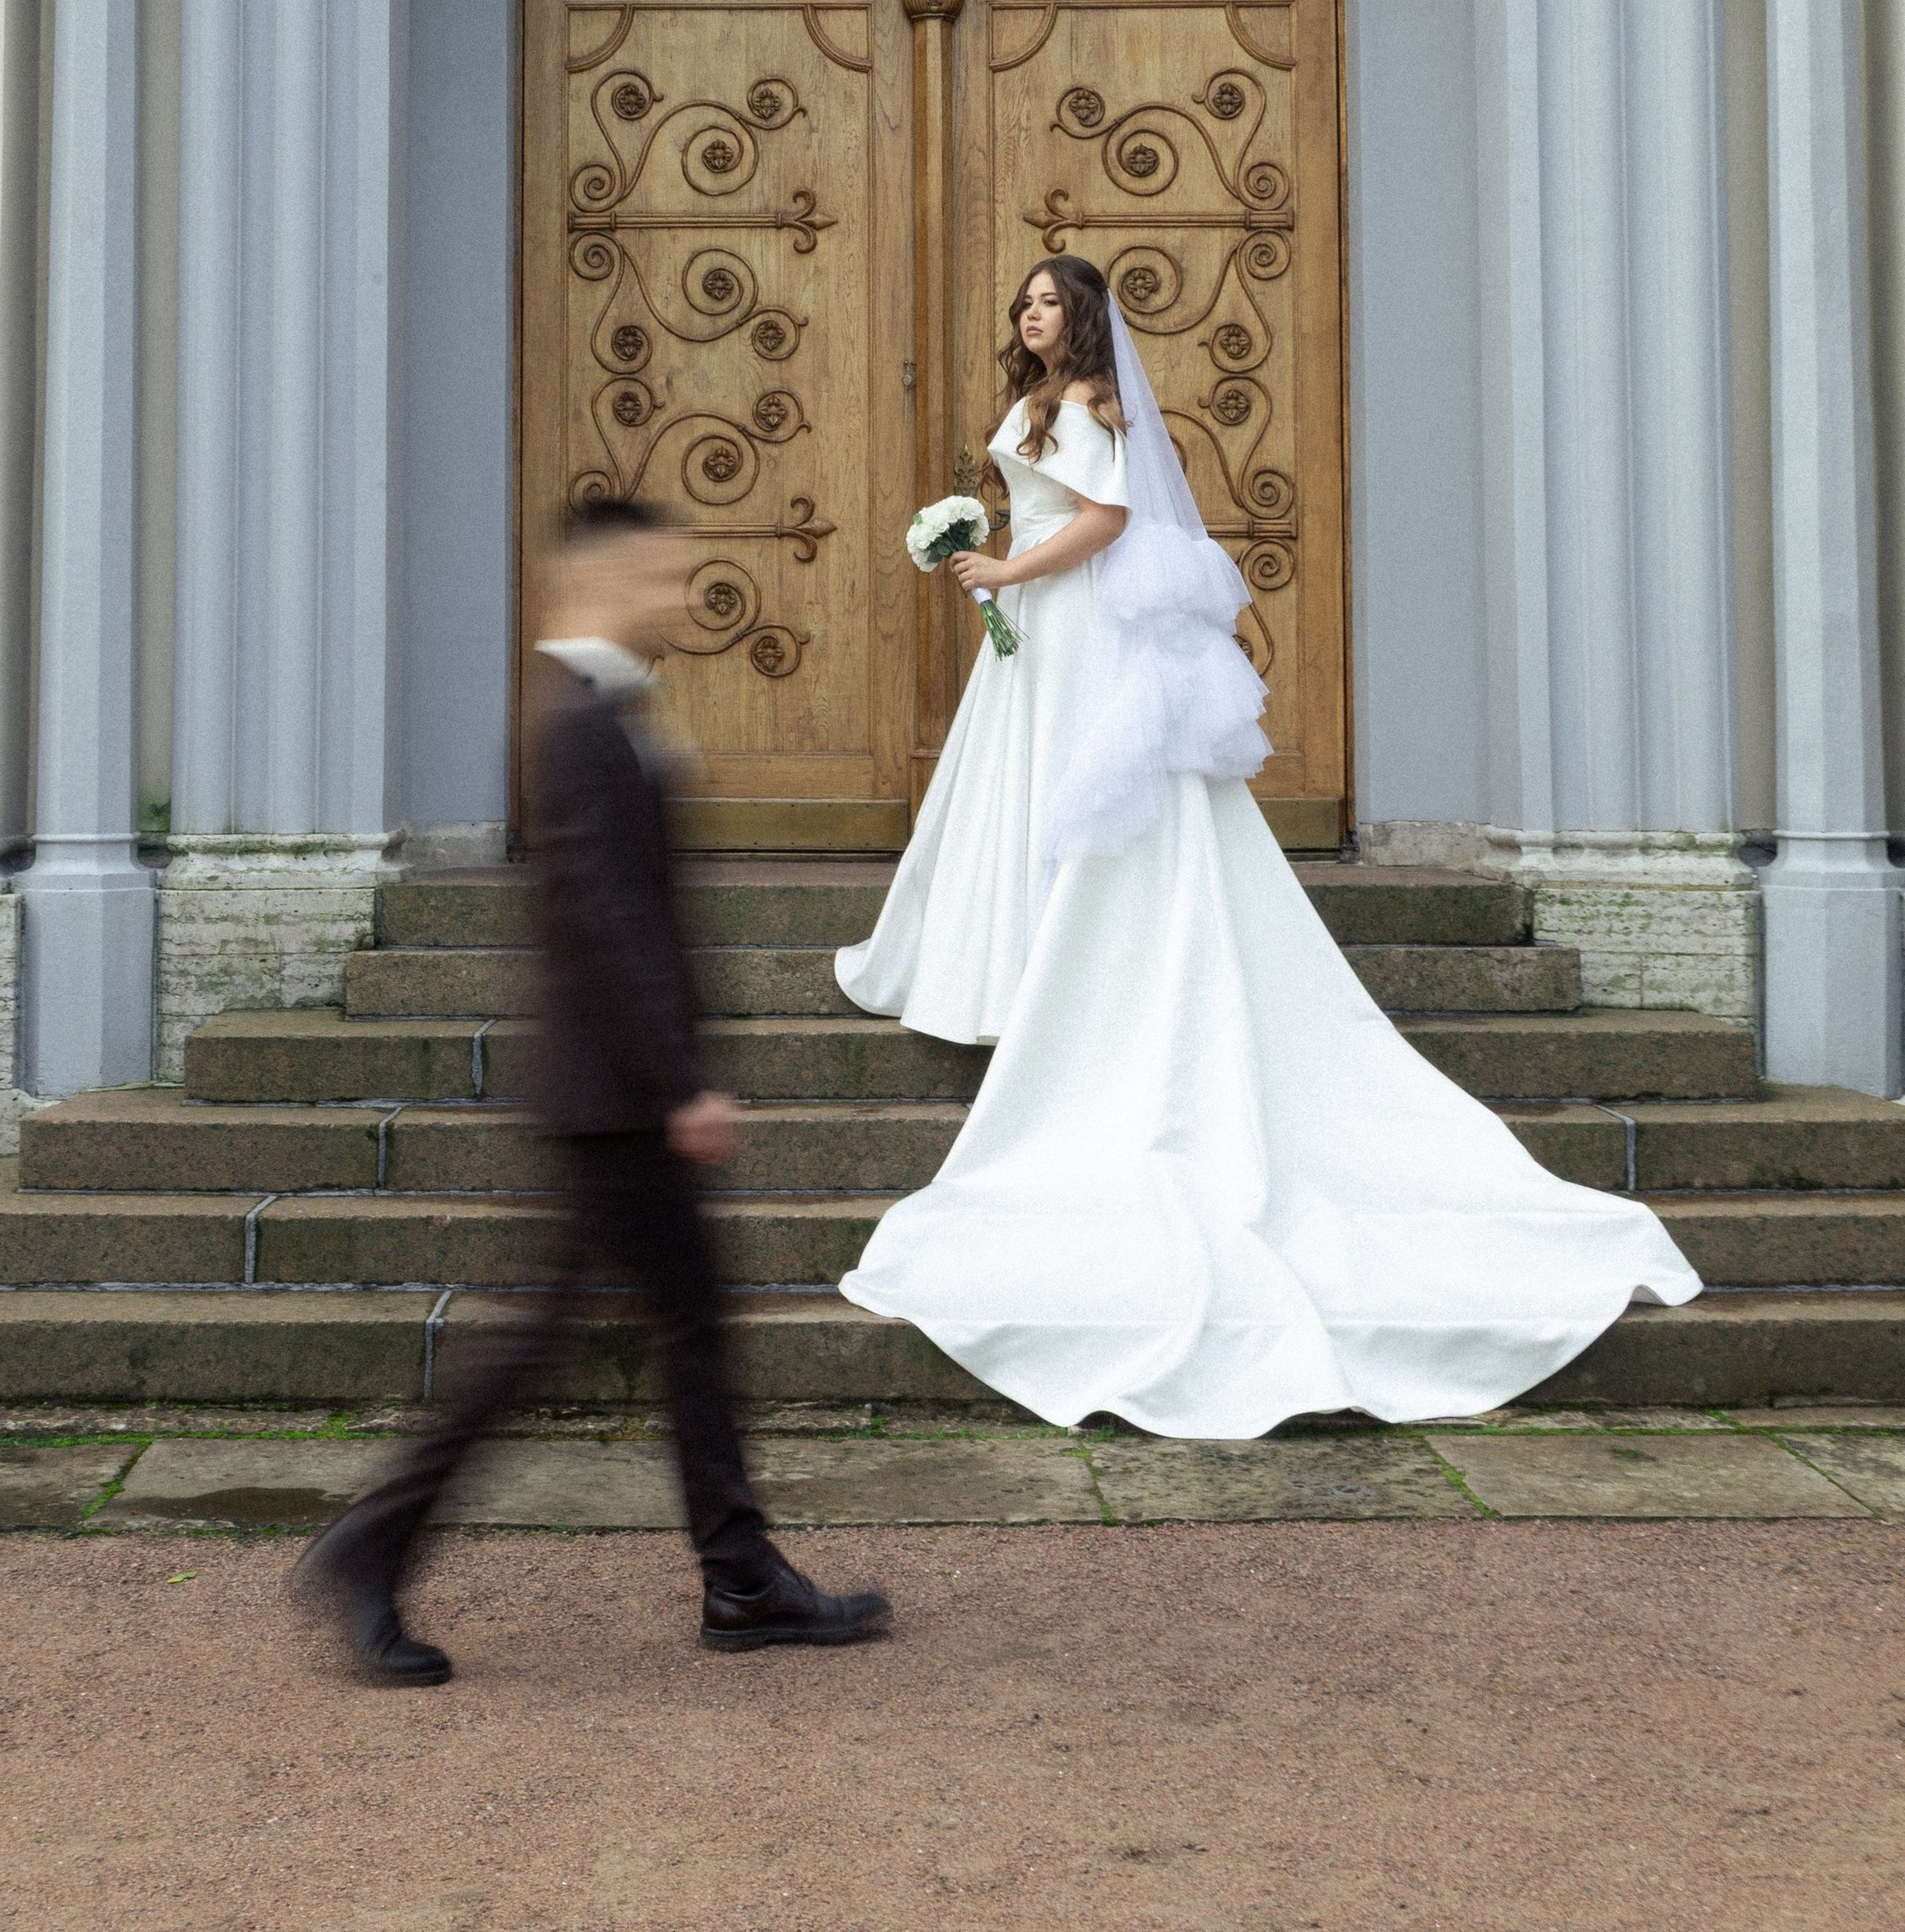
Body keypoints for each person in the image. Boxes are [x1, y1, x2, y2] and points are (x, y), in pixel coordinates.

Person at [836, 255, 1699, 1436]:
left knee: (1074, 800)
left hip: (1072, 618)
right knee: (1023, 796)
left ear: (1081, 318)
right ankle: (1011, 964)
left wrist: (1005, 566)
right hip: (1037, 621)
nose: (1031, 315)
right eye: (1023, 303)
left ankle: (1056, 972)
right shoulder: (1045, 400)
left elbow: (1106, 521)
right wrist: (994, 553)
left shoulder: (1088, 401)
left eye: (1049, 302)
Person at [298, 499, 891, 1681]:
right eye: (662, 575)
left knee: (677, 1326)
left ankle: (740, 1576)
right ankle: (373, 1545)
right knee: (552, 1340)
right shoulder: (578, 723)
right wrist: (681, 1082)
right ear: (603, 579)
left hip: (617, 1087)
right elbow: (605, 917)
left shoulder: (602, 708)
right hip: (614, 1093)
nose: (679, 596)